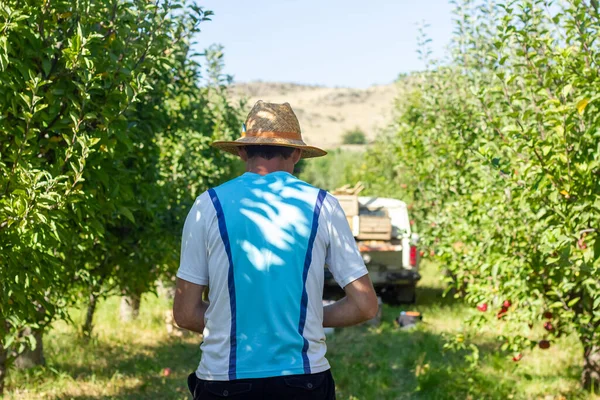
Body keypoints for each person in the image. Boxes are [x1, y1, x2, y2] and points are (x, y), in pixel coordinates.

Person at [173, 101, 378, 400]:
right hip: (303, 380)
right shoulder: (323, 206)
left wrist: (241, 320)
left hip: (224, 380)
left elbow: (185, 312)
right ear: (296, 153)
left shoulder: (208, 205)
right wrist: (300, 317)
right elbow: (365, 306)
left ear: (242, 151)